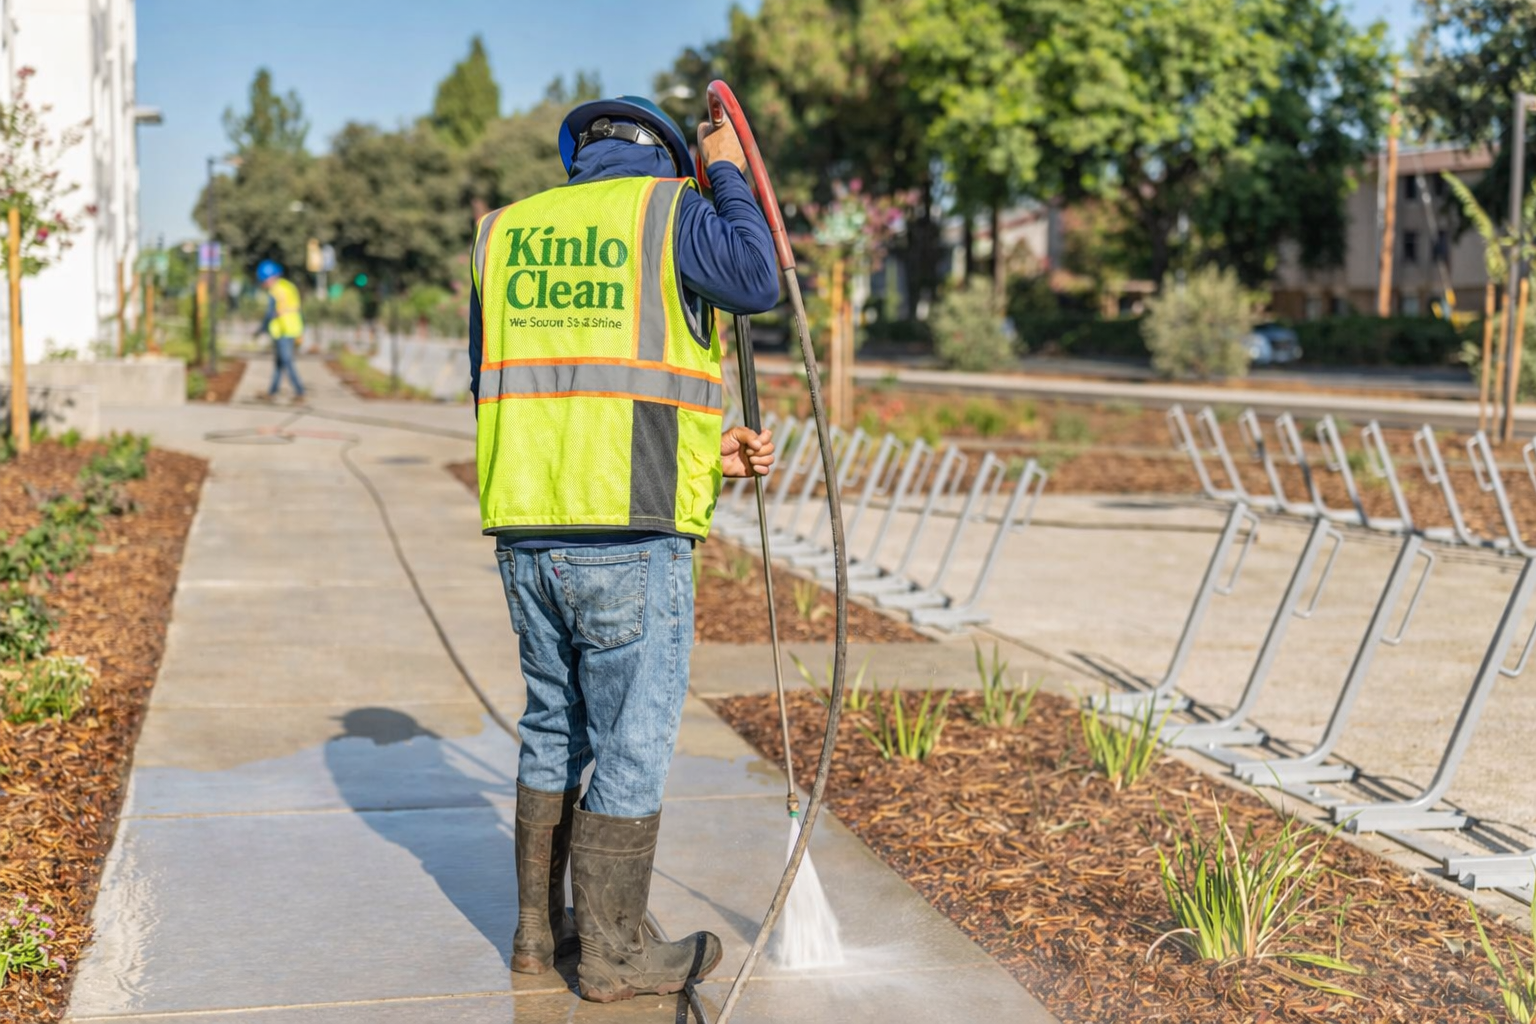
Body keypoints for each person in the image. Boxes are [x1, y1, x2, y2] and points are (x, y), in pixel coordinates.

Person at [467, 95, 778, 1003]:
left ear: (580, 161)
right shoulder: (670, 211)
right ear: (667, 159)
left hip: (527, 528)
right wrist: (725, 170)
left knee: (552, 726)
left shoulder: (503, 233)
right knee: (633, 742)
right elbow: (756, 278)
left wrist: (706, 450)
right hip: (629, 537)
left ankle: (538, 934)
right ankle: (613, 955)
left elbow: (548, 390)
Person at [255, 260, 305, 401]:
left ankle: (300, 391)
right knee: (279, 363)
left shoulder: (275, 291)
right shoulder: (289, 287)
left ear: (269, 278)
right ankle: (272, 392)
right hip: (292, 329)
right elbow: (298, 309)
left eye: (263, 280)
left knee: (286, 361)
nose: (263, 284)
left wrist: (261, 329)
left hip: (283, 330)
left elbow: (269, 313)